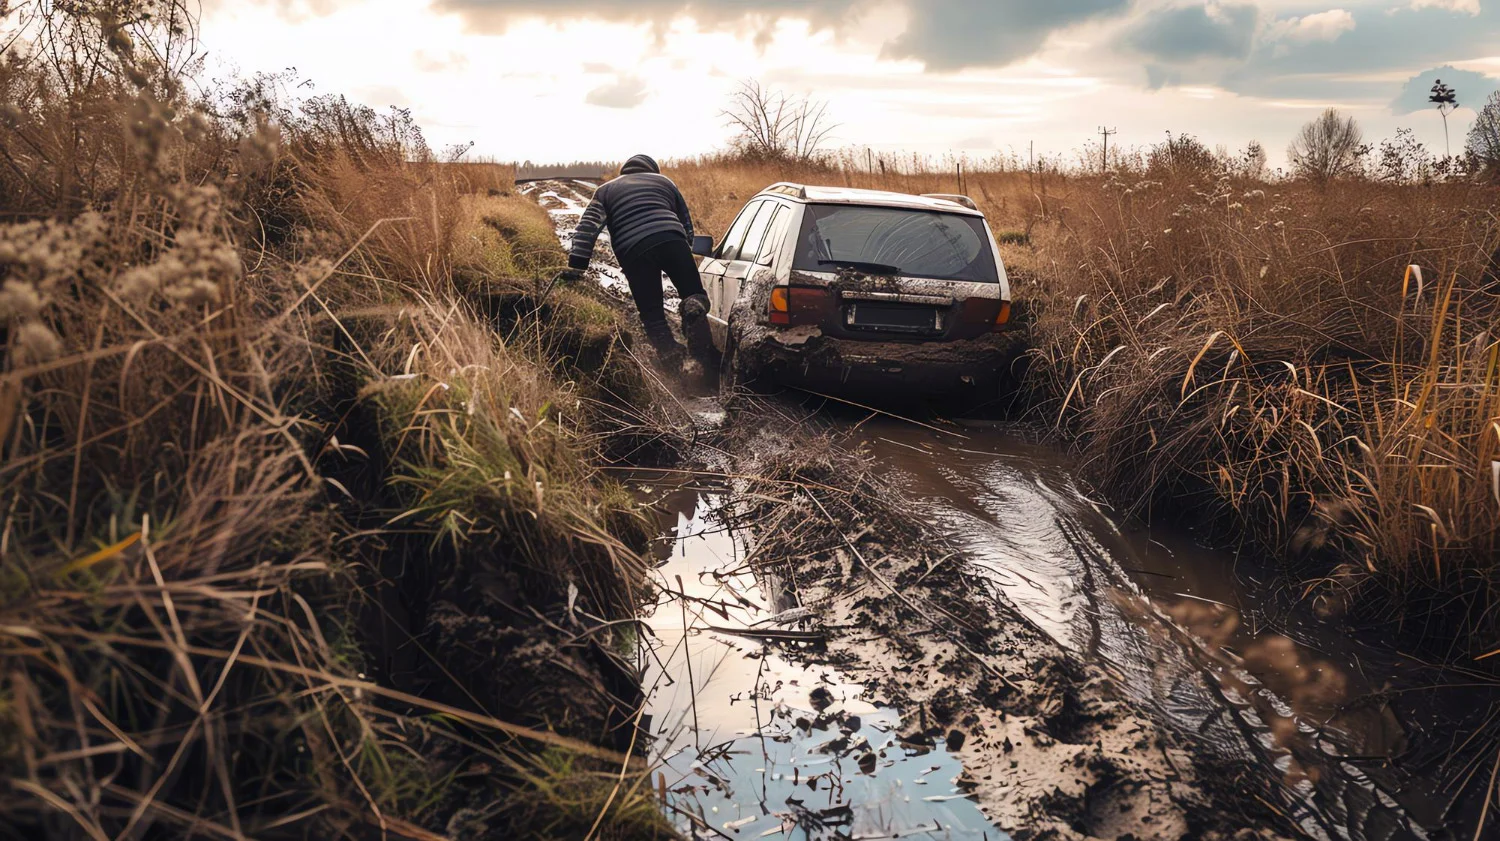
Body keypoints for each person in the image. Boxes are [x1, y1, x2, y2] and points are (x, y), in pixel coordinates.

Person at [564, 154, 712, 368]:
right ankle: (700, 341)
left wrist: (577, 264)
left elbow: (587, 228)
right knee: (694, 295)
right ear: (653, 170)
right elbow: (686, 223)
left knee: (652, 314)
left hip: (634, 250)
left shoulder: (605, 190)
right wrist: (684, 252)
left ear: (625, 170)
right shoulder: (665, 182)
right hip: (672, 240)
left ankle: (672, 359)